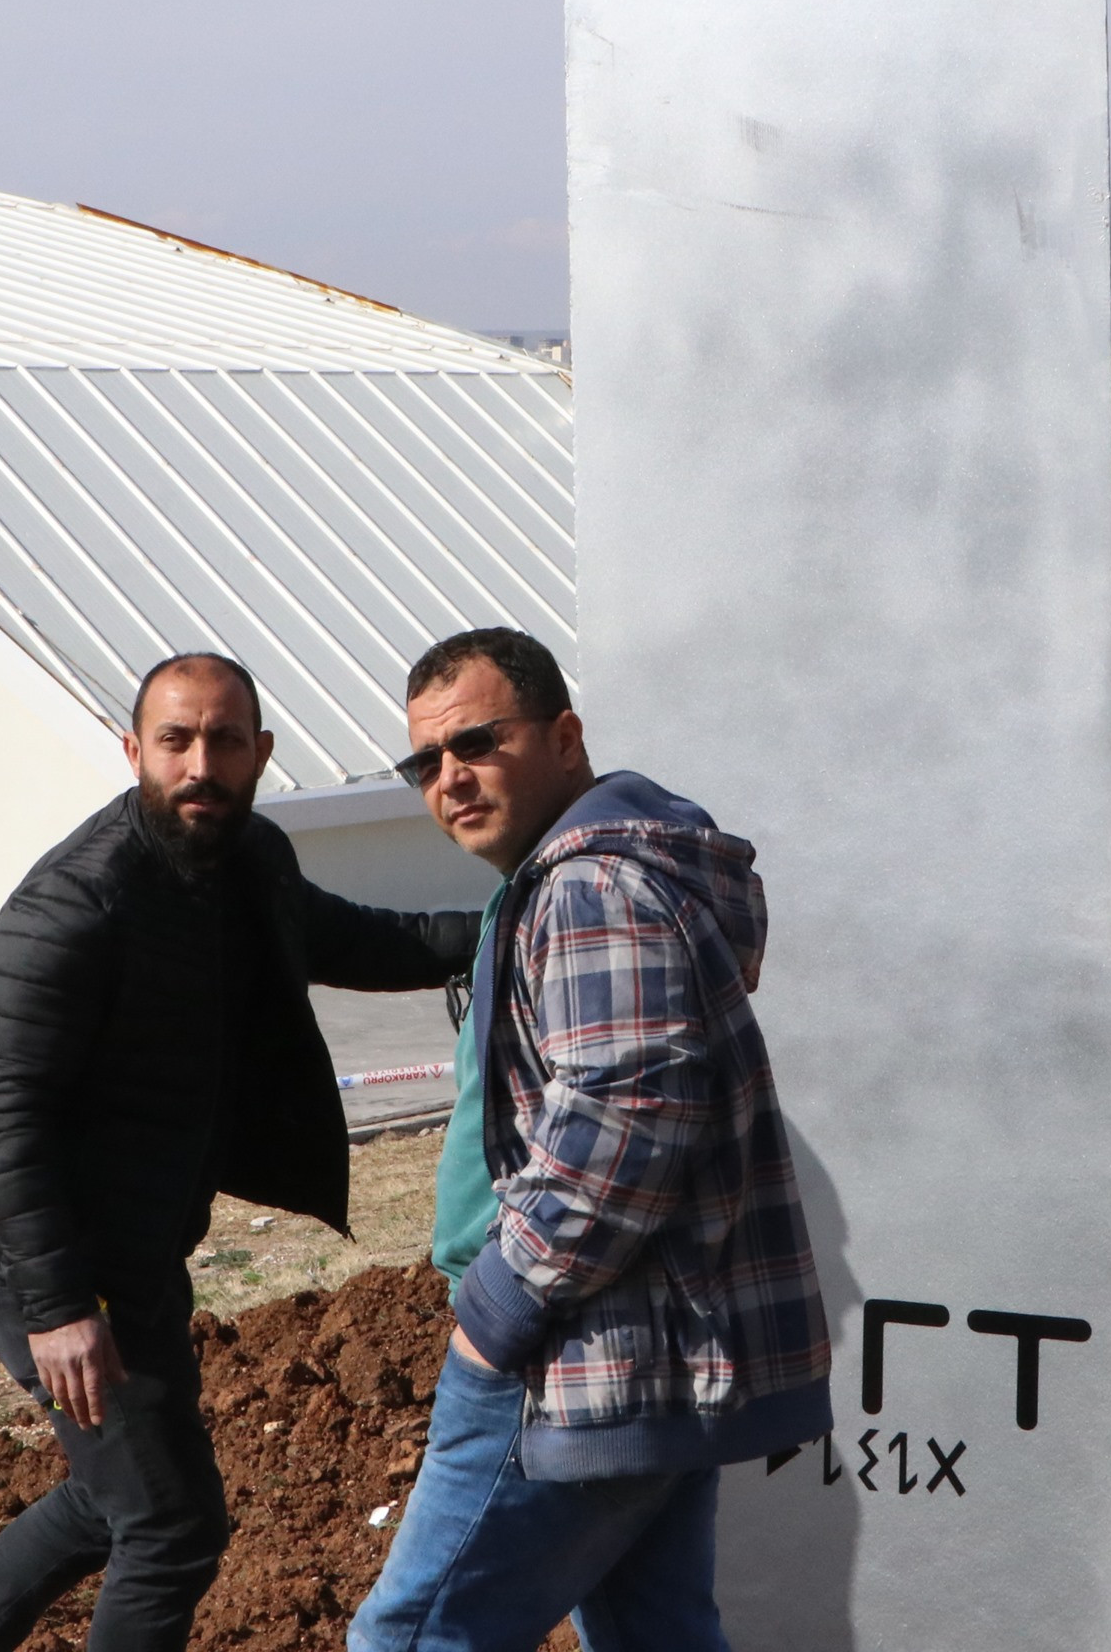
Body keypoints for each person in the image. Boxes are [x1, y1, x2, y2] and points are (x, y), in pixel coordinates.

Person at [0, 653, 477, 1652]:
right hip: (68, 1280)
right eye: (175, 740)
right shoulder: (72, 905)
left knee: (114, 1500)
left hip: (144, 1257)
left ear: (261, 752)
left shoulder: (248, 857)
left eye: (224, 741)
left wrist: (506, 927)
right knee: (171, 1527)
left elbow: (352, 936)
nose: (200, 765)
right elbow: (8, 1113)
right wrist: (59, 1310)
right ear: (134, 750)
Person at [350, 627, 832, 1652]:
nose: (450, 776)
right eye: (424, 761)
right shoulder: (577, 876)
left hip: (575, 1353)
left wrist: (497, 1309)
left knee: (412, 1638)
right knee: (656, 1634)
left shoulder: (590, 888)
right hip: (635, 1348)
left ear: (564, 737)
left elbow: (627, 1118)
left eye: (476, 741)